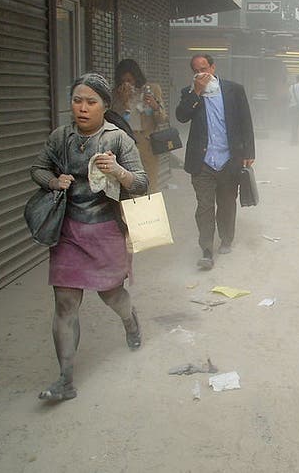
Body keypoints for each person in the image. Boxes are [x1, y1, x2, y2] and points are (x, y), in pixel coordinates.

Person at [30, 73, 149, 401]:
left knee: (111, 296)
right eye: (77, 100)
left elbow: (141, 183)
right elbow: (38, 169)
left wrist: (118, 171)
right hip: (68, 231)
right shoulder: (60, 137)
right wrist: (54, 182)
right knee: (65, 303)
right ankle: (65, 380)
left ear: (104, 106)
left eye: (91, 102)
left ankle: (131, 322)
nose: (82, 108)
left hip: (106, 231)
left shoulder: (117, 139)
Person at [175, 53, 255, 270]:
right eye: (196, 70)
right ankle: (207, 249)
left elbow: (246, 121)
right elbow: (181, 116)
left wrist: (249, 152)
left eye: (205, 68)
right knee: (205, 206)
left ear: (213, 67)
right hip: (202, 162)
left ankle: (226, 238)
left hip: (229, 159)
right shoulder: (190, 93)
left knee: (227, 203)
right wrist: (197, 92)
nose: (202, 73)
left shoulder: (233, 90)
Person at [112, 59, 167, 189]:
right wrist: (124, 101)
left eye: (130, 80)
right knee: (127, 181)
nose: (127, 84)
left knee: (149, 181)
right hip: (125, 141)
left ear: (136, 77)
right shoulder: (116, 93)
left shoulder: (152, 89)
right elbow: (113, 119)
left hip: (146, 142)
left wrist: (155, 106)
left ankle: (149, 208)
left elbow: (162, 118)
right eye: (123, 80)